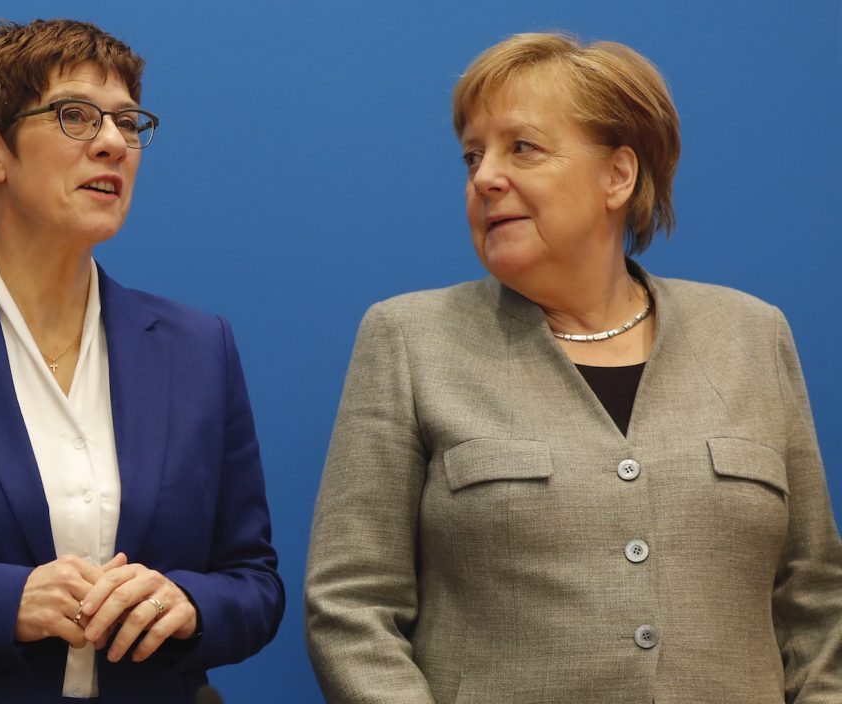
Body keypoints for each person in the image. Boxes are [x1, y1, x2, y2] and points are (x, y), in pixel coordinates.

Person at [305, 32, 842, 703]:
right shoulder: (410, 340)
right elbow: (351, 609)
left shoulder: (752, 335)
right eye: (473, 155)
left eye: (521, 147)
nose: (484, 177)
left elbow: (816, 600)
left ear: (619, 175)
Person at [0, 19, 283, 703]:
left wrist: (189, 603)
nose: (113, 143)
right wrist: (2, 602)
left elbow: (254, 581)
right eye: (75, 116)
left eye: (128, 122)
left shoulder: (198, 346)